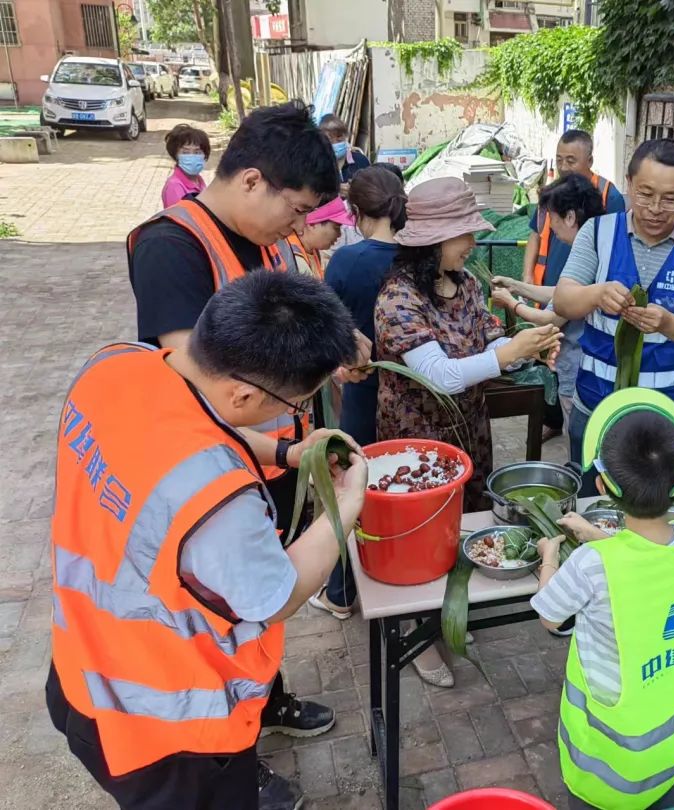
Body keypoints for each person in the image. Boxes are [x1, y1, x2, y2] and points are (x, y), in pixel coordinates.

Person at [47, 271, 367, 810]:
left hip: (80, 666)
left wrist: (285, 453)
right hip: (167, 729)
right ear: (243, 391)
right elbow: (277, 594)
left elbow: (201, 417)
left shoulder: (117, 364)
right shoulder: (218, 504)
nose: (293, 416)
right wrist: (349, 506)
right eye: (295, 404)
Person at [127, 100, 372, 788]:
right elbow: (200, 386)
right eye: (297, 209)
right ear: (254, 180)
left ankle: (266, 701)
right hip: (215, 474)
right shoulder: (171, 249)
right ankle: (232, 757)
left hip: (272, 451)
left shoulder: (263, 239)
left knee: (258, 613)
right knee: (223, 614)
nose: (301, 227)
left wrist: (336, 340)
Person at [374, 176, 561, 685]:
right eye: (464, 236)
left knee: (465, 522)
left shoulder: (468, 284)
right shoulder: (397, 299)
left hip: (469, 430)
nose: (473, 244)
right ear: (433, 240)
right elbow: (440, 375)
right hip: (419, 442)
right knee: (420, 535)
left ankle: (448, 610)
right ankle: (418, 634)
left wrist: (531, 343)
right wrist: (507, 355)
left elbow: (489, 335)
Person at [530, 387, 674, 810]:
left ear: (601, 485)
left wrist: (549, 558)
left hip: (609, 756)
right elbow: (652, 555)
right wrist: (596, 534)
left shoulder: (593, 564)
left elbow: (551, 618)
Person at [553, 138, 674, 492]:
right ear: (629, 184)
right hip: (596, 405)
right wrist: (596, 294)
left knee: (657, 512)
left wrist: (669, 324)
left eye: (670, 199)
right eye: (645, 193)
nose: (654, 208)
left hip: (669, 414)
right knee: (592, 502)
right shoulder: (599, 233)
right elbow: (563, 301)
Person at [313, 167, 408, 620]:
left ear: (354, 212)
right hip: (413, 395)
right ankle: (399, 574)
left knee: (355, 486)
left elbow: (326, 329)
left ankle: (341, 589)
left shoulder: (347, 262)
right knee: (404, 484)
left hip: (364, 390)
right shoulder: (418, 256)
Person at [519, 129, 625, 442]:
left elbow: (552, 314)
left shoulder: (608, 196)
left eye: (572, 160)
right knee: (556, 362)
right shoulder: (553, 194)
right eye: (559, 159)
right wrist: (522, 279)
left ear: (589, 161)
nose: (564, 166)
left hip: (572, 315)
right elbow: (536, 235)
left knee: (573, 382)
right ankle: (562, 427)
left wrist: (513, 303)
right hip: (558, 294)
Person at [490, 173, 606, 429]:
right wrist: (516, 285)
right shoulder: (600, 245)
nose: (549, 227)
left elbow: (552, 316)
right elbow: (561, 294)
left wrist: (512, 302)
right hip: (583, 364)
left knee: (580, 438)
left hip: (579, 366)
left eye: (551, 218)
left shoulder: (589, 256)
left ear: (570, 217)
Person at [287, 197, 354, 278]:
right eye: (336, 228)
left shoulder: (314, 250)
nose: (339, 234)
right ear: (313, 224)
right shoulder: (291, 255)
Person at [318, 113, 370, 194]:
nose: (335, 143)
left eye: (339, 137)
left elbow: (371, 189)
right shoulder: (316, 164)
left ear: (345, 136)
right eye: (330, 139)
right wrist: (335, 190)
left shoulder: (361, 160)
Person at [161, 123, 210, 207]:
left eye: (197, 152)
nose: (192, 156)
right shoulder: (174, 186)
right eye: (185, 152)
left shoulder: (199, 181)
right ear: (176, 155)